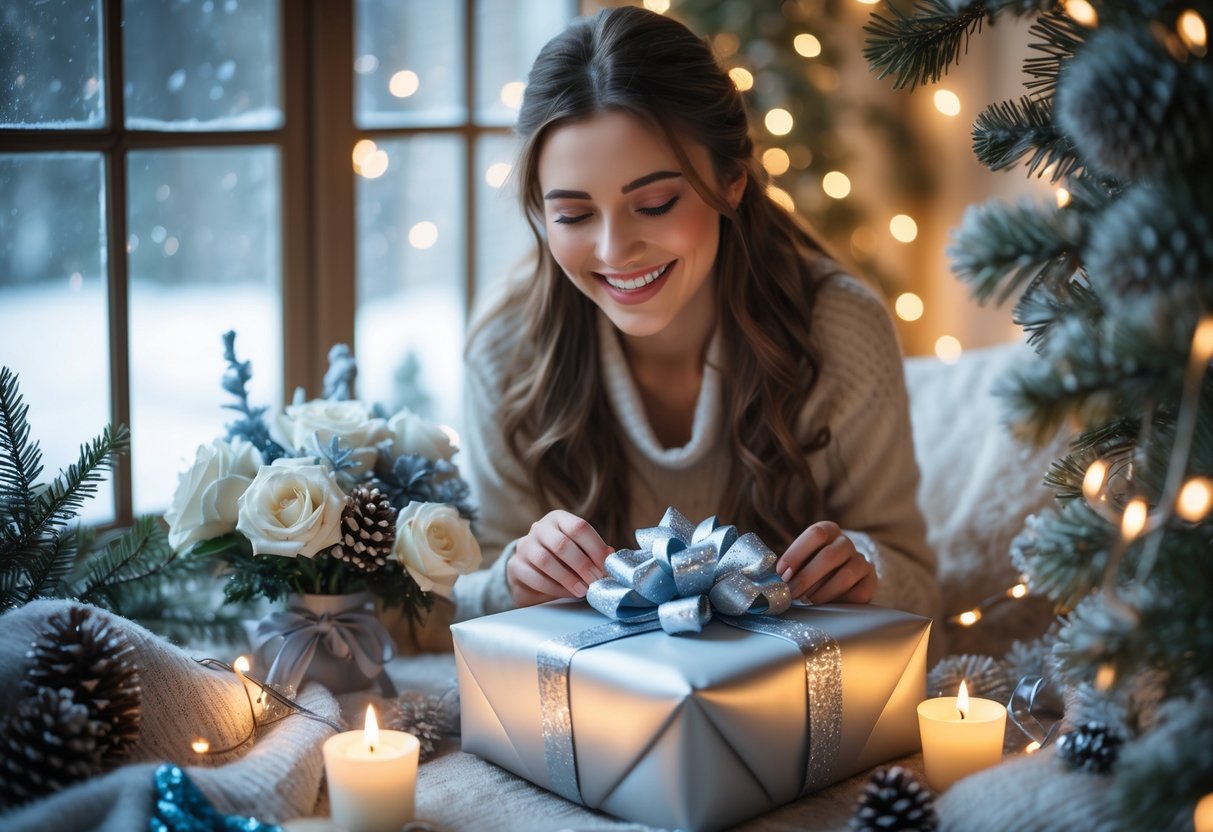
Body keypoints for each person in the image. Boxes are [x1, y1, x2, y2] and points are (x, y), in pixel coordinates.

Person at [451, 6, 938, 627]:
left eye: (654, 204)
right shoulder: (505, 348)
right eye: (572, 215)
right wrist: (511, 578)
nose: (613, 251)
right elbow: (459, 600)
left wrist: (866, 569)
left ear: (732, 178)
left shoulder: (840, 329)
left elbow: (921, 585)